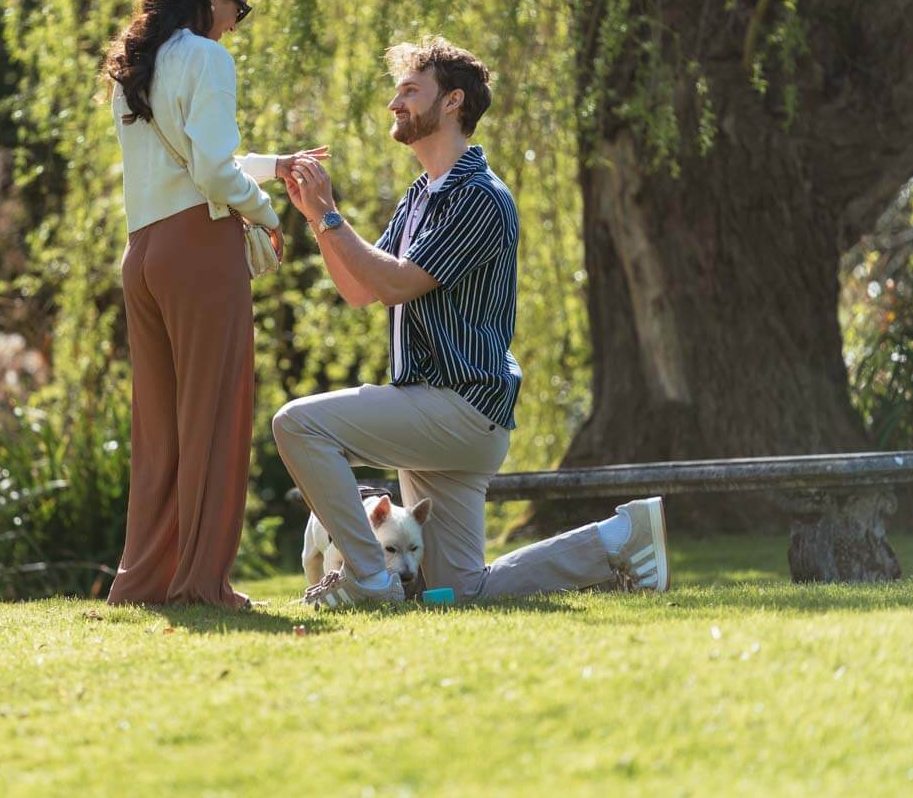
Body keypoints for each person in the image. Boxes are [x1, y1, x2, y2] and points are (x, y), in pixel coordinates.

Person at [274, 36, 669, 608]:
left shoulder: (478, 197)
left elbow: (396, 281)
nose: (395, 103)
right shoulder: (420, 198)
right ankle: (619, 538)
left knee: (298, 425)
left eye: (410, 90)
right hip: (446, 415)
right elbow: (361, 288)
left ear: (453, 101)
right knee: (456, 591)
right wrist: (316, 216)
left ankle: (367, 578)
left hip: (457, 405)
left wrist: (332, 214)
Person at [101, 0, 326, 609]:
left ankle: (145, 580)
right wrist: (267, 215)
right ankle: (203, 582)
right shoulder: (208, 58)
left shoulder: (134, 64)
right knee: (216, 413)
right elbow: (209, 171)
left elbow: (198, 157)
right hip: (198, 246)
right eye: (239, 6)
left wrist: (274, 162)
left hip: (142, 252)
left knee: (162, 423)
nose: (238, 21)